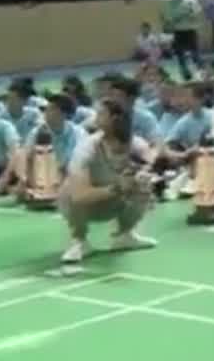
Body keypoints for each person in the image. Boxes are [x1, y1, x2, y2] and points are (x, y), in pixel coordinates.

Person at [59, 99, 158, 264]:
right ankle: (79, 241)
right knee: (70, 190)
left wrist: (144, 173)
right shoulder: (87, 148)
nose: (95, 117)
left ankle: (125, 235)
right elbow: (79, 196)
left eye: (101, 114)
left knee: (144, 184)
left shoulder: (135, 143)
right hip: (87, 203)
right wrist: (117, 188)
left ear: (115, 119)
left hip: (115, 202)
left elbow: (152, 161)